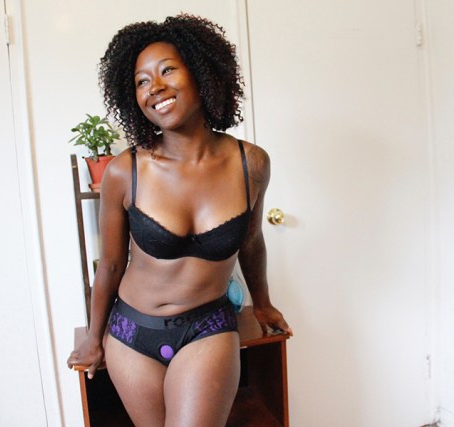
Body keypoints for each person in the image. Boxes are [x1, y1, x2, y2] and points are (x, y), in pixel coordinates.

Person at [67, 14, 292, 427]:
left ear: (202, 73)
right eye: (142, 81)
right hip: (131, 334)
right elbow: (111, 264)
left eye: (168, 70)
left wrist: (262, 303)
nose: (155, 87)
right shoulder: (124, 171)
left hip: (207, 327)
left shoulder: (251, 164)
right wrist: (94, 339)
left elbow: (251, 241)